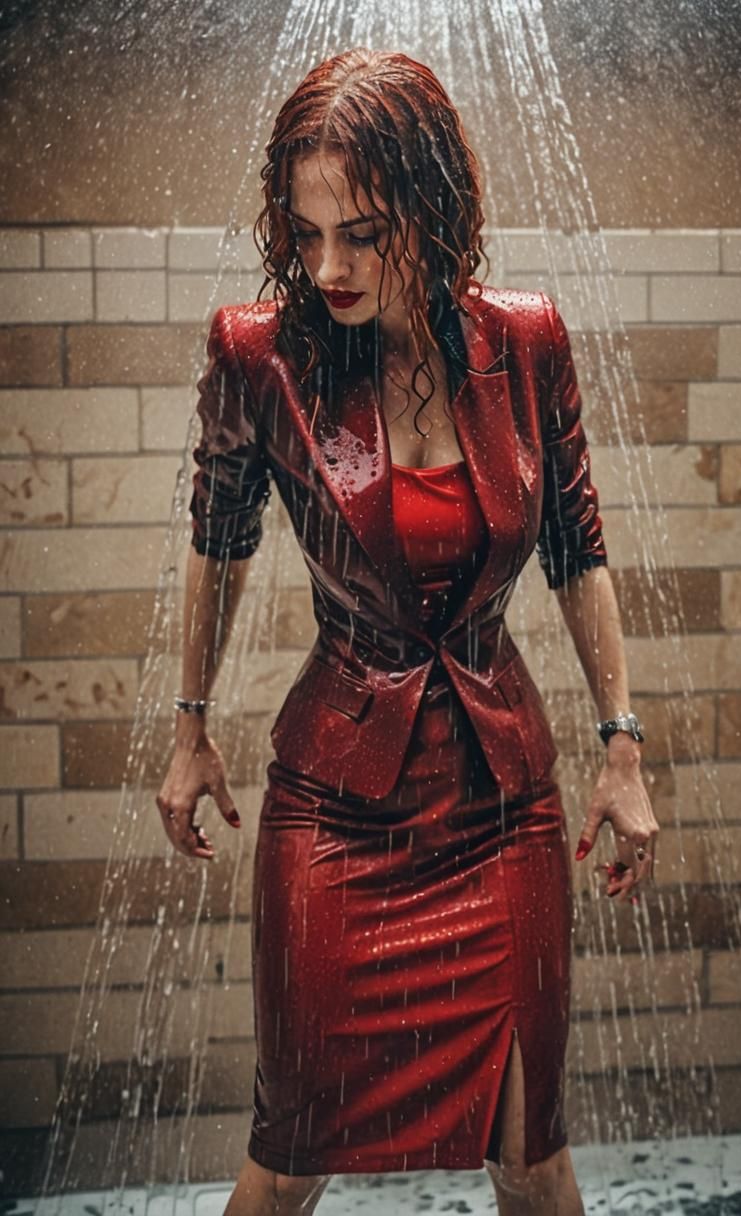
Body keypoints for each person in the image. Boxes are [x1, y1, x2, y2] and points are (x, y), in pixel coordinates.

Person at [155, 47, 659, 1216]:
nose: (326, 265)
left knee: (531, 1149)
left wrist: (620, 746)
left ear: (434, 209)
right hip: (334, 813)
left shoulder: (526, 341)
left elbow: (579, 544)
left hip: (502, 805)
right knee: (289, 1157)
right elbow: (216, 540)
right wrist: (189, 728)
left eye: (364, 233)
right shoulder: (259, 352)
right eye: (307, 231)